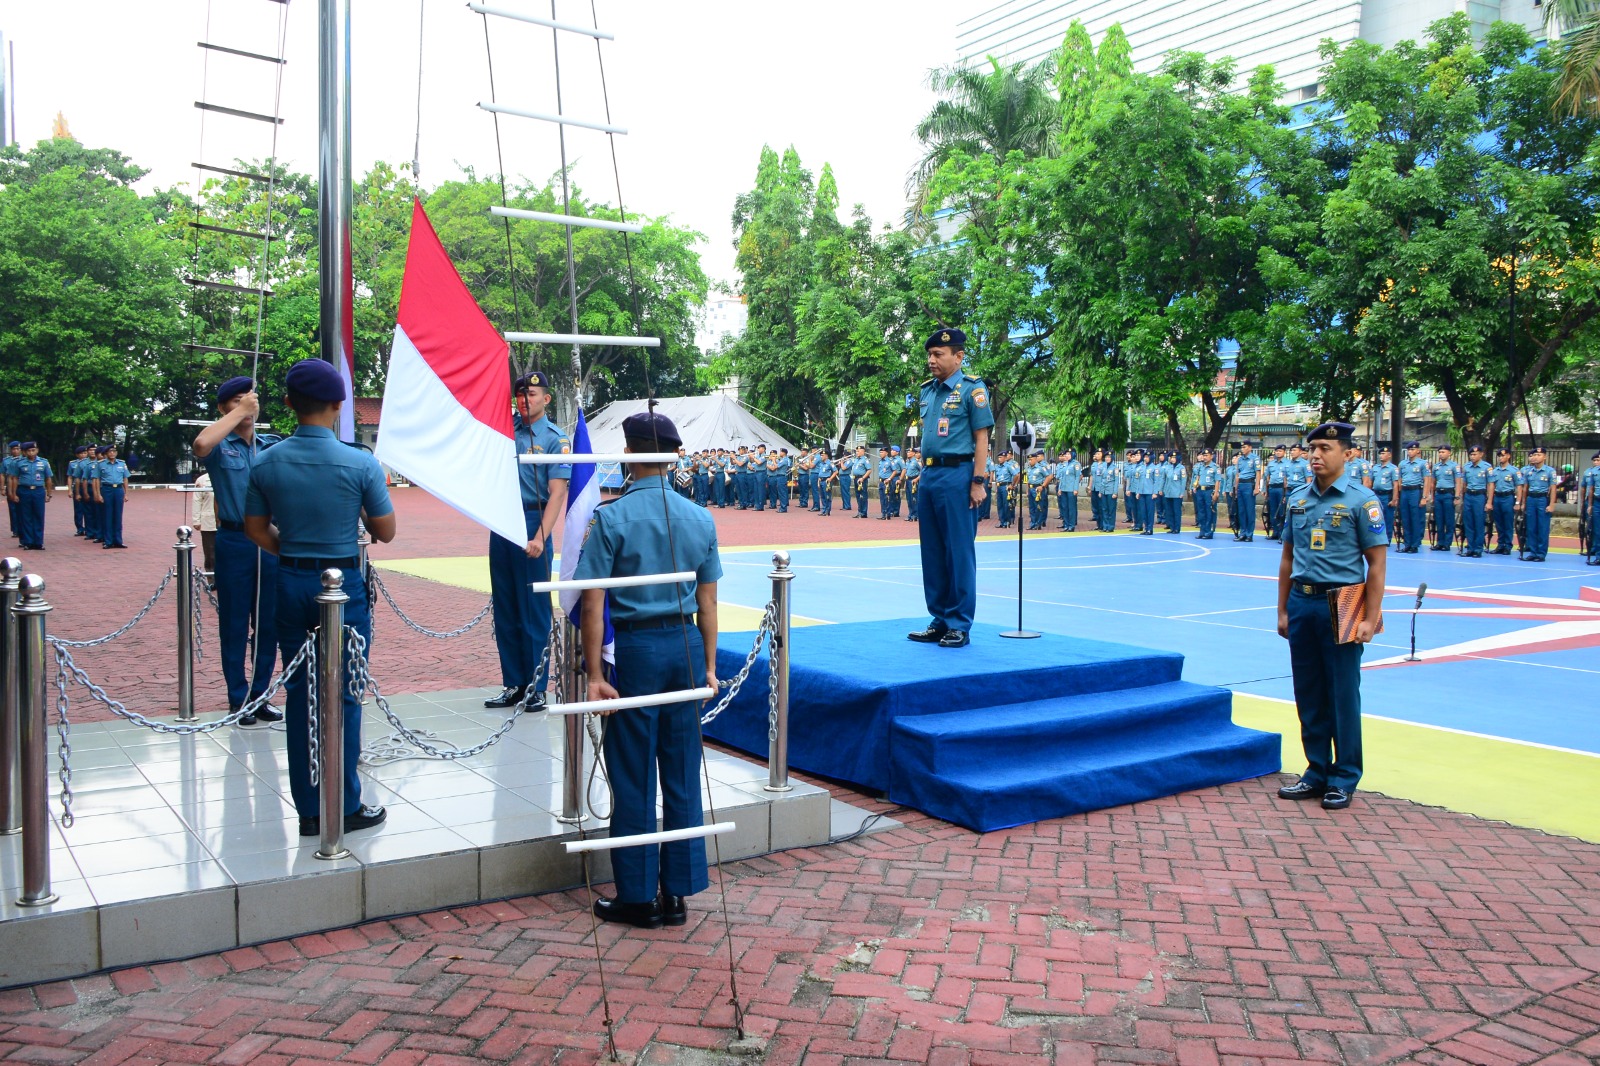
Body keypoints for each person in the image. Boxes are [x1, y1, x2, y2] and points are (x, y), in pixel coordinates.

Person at [575, 410, 721, 930]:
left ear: (631, 455)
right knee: (681, 769)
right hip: (683, 646)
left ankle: (638, 896)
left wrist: (594, 672)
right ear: (676, 455)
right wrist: (707, 666)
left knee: (633, 771)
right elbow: (708, 601)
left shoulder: (612, 518)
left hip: (636, 648)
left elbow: (593, 602)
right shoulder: (700, 518)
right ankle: (678, 892)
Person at [244, 358, 394, 838]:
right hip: (343, 587)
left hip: (291, 580)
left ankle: (310, 808)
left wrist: (291, 549)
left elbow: (254, 528)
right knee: (347, 693)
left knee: (299, 694)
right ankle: (344, 803)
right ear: (338, 405)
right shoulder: (360, 461)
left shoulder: (266, 460)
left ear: (288, 403)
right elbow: (385, 532)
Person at [1275, 422, 1386, 813]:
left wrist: (1370, 618)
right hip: (1304, 603)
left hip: (1344, 602)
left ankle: (1344, 777)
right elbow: (1288, 557)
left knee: (1341, 694)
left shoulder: (1362, 500)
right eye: (1312, 449)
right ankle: (1316, 770)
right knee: (1309, 692)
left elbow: (1376, 565)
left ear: (1346, 453)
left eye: (1324, 448)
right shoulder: (1298, 499)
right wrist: (1283, 609)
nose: (1316, 455)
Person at [193, 377, 283, 724]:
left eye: (249, 399)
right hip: (234, 541)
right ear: (222, 409)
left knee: (267, 625)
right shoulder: (220, 445)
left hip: (270, 540)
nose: (245, 405)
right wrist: (238, 414)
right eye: (235, 401)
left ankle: (260, 696)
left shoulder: (270, 445)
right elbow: (201, 445)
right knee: (233, 623)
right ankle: (237, 698)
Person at [486, 371, 571, 712]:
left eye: (532, 394)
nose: (525, 400)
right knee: (506, 607)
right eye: (520, 394)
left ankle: (536, 686)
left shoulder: (555, 439)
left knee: (534, 610)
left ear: (546, 399)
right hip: (504, 522)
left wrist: (540, 536)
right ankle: (514, 684)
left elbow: (557, 492)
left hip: (534, 519)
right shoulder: (505, 433)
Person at [907, 329, 993, 649]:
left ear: (958, 356)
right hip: (929, 476)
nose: (931, 360)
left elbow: (982, 438)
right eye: (929, 354)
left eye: (938, 354)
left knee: (958, 552)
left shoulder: (973, 389)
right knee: (932, 552)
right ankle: (940, 618)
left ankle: (959, 623)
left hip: (959, 476)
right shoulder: (928, 392)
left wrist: (978, 481)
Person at [1518, 445, 1557, 562]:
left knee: (1542, 527)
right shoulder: (1528, 471)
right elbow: (1525, 488)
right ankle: (1533, 552)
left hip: (1542, 499)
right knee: (1531, 527)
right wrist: (1523, 503)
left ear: (1545, 457)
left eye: (1539, 455)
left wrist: (1551, 504)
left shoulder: (1550, 471)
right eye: (1534, 455)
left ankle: (1541, 553)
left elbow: (1553, 489)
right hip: (1531, 499)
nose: (1535, 457)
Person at [12, 443, 52, 551]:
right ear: (25, 452)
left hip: (38, 491)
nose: (31, 452)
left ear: (37, 450)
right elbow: (15, 478)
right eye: (29, 451)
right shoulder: (19, 463)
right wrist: (14, 493)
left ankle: (38, 542)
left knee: (39, 516)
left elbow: (48, 478)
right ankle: (28, 542)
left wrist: (49, 493)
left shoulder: (43, 462)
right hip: (24, 490)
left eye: (33, 450)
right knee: (26, 516)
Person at [94, 444, 131, 548]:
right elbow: (96, 479)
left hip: (118, 490)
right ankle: (108, 541)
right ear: (106, 453)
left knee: (118, 516)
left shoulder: (122, 464)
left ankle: (118, 540)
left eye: (114, 451)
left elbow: (125, 479)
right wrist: (98, 494)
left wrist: (126, 493)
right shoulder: (100, 464)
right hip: (106, 489)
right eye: (110, 451)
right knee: (107, 515)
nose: (112, 453)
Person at [1425, 444, 1460, 551]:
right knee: (1439, 520)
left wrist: (1457, 496)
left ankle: (1447, 543)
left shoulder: (1454, 466)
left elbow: (1458, 482)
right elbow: (1433, 482)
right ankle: (1440, 542)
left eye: (1443, 452)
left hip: (1449, 494)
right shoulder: (1436, 466)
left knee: (1449, 520)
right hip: (1438, 494)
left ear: (1449, 453)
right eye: (1440, 452)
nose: (1441, 454)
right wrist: (1432, 495)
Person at [1459, 445, 1492, 556]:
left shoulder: (1487, 467)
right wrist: (1461, 497)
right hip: (1469, 495)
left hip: (1480, 496)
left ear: (1481, 454)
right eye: (1471, 454)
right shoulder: (1467, 467)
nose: (1472, 457)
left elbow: (1490, 485)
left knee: (1478, 522)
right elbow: (1464, 484)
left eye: (1475, 454)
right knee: (1468, 523)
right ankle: (1470, 547)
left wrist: (1489, 501)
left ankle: (1478, 549)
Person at [1488, 448, 1521, 556]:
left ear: (1508, 456)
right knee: (1498, 523)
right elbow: (1491, 486)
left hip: (1508, 497)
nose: (1501, 458)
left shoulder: (1514, 470)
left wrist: (1518, 502)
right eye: (1499, 456)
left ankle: (1507, 545)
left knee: (1507, 522)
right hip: (1497, 497)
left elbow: (1519, 487)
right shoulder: (1495, 471)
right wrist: (1490, 500)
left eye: (1503, 455)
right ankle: (1500, 544)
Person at [1397, 441, 1428, 553]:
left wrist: (1424, 497)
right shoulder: (1402, 464)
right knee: (1405, 519)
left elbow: (1427, 480)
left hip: (1416, 491)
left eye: (1412, 450)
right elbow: (1399, 480)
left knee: (1415, 518)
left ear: (1417, 451)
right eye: (1409, 450)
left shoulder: (1423, 464)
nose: (1410, 452)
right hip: (1405, 491)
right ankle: (1407, 543)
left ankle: (1415, 544)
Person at [1369, 446, 1398, 545]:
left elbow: (1395, 484)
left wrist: (1394, 499)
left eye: (1384, 454)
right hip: (1376, 494)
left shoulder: (1393, 468)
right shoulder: (1375, 468)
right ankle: (1376, 539)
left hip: (1387, 495)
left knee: (1387, 518)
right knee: (1375, 518)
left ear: (1389, 455)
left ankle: (1387, 539)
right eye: (1380, 454)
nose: (1381, 456)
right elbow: (1370, 482)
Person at [192, 471, 217, 578]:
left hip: (227, 520)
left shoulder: (228, 476)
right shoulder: (202, 480)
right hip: (208, 522)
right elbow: (197, 501)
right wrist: (196, 520)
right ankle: (211, 579)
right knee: (210, 553)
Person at [1192, 448, 1219, 539]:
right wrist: (1195, 486)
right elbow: (1198, 477)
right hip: (1200, 490)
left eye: (1207, 455)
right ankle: (1202, 531)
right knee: (1201, 512)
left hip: (1209, 491)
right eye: (1204, 455)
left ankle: (1209, 532)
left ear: (1212, 456)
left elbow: (1217, 481)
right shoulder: (1200, 466)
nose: (1205, 457)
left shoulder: (1215, 467)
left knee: (1209, 511)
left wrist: (1216, 493)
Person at [1236, 441, 1260, 541]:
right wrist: (1236, 487)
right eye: (1241, 447)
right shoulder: (1240, 459)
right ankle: (1242, 533)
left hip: (1249, 484)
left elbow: (1258, 473)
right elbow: (1237, 474)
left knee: (1249, 510)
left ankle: (1249, 534)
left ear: (1250, 448)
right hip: (1241, 484)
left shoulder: (1255, 458)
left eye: (1244, 447)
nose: (1242, 449)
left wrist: (1257, 487)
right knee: (1241, 511)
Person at [1055, 449, 1080, 531]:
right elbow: (1062, 478)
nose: (1066, 456)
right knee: (1064, 507)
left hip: (1071, 489)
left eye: (1069, 454)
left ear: (1073, 454)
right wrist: (1060, 488)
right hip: (1064, 489)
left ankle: (1071, 525)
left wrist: (1075, 489)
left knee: (1071, 508)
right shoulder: (1065, 465)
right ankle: (1066, 524)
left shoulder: (1076, 464)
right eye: (1066, 454)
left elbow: (1077, 477)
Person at [3, 442, 21, 540]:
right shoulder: (7, 461)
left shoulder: (24, 460)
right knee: (13, 510)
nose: (16, 451)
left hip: (22, 487)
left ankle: (23, 529)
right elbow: (3, 475)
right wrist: (3, 488)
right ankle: (15, 529)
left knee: (24, 510)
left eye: (17, 448)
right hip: (11, 487)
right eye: (13, 449)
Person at [904, 448, 921, 521]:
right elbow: (906, 473)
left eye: (910, 452)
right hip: (908, 481)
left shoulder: (916, 462)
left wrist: (917, 479)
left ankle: (915, 515)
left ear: (914, 453)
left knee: (914, 498)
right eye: (907, 452)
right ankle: (910, 514)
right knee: (909, 499)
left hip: (914, 481)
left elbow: (922, 471)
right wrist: (905, 482)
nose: (908, 453)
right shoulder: (907, 462)